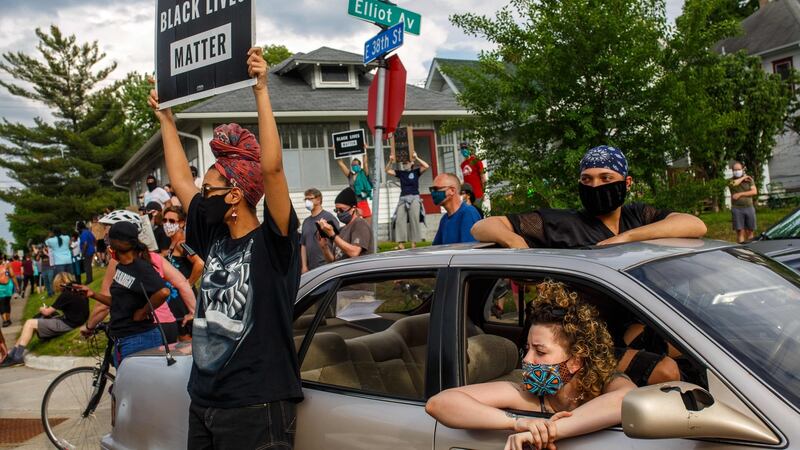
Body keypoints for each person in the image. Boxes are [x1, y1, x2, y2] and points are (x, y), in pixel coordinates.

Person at [150, 47, 302, 448]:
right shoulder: (214, 235)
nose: (202, 195)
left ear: (234, 196)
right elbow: (182, 181)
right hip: (204, 401)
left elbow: (272, 169)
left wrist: (261, 90)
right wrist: (167, 118)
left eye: (211, 190)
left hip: (258, 407)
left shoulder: (275, 242)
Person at [425, 280, 636, 450]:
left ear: (576, 360)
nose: (526, 360)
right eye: (527, 349)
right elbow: (439, 404)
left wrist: (549, 431)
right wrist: (517, 423)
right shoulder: (527, 394)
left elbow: (626, 400)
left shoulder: (609, 381)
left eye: (540, 351)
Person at [472, 145, 708, 249]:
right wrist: (514, 241)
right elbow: (483, 226)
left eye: (606, 178)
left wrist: (627, 238)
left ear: (627, 183)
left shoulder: (638, 216)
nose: (595, 185)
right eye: (587, 179)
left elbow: (695, 225)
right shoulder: (561, 223)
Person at [81, 210, 196, 346]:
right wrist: (193, 312)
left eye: (109, 232)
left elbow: (104, 306)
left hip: (144, 328)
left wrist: (89, 326)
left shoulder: (119, 261)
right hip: (168, 324)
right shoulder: (154, 257)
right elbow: (182, 283)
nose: (106, 237)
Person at [76, 222, 170, 367]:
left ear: (119, 243)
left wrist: (143, 311)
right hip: (123, 338)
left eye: (109, 238)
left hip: (139, 338)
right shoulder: (121, 267)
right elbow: (119, 302)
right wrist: (92, 294)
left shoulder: (140, 267)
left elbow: (163, 292)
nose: (107, 242)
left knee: (135, 388)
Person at [0, 272, 89, 367]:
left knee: (30, 323)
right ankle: (12, 354)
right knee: (31, 324)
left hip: (69, 324)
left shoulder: (66, 294)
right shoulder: (77, 289)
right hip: (77, 321)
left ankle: (17, 356)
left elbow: (47, 312)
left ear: (59, 282)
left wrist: (42, 309)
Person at [162, 205, 204, 339]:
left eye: (172, 221)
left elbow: (199, 263)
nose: (167, 224)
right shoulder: (171, 245)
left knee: (187, 341)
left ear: (181, 223)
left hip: (184, 300)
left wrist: (189, 283)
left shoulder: (182, 244)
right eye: (165, 220)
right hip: (174, 299)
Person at [386, 151, 429, 249]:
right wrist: (390, 161)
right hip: (403, 198)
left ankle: (414, 243)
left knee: (414, 219)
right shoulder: (401, 173)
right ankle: (401, 243)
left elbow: (426, 166)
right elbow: (387, 170)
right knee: (399, 219)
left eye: (407, 163)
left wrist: (416, 157)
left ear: (411, 163)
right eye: (404, 163)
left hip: (414, 197)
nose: (405, 165)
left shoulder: (416, 172)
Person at [318, 187, 374, 262]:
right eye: (336, 210)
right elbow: (333, 261)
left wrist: (333, 235)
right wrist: (324, 247)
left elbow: (354, 252)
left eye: (341, 210)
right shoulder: (341, 230)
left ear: (353, 208)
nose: (338, 213)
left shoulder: (360, 224)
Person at [431, 173, 482, 245]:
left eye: (437, 189)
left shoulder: (468, 213)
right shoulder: (444, 219)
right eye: (432, 189)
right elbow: (436, 248)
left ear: (452, 190)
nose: (433, 193)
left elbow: (469, 251)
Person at [300, 188, 337, 273]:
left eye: (310, 198)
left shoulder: (328, 218)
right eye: (305, 199)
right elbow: (303, 245)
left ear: (318, 199)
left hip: (326, 266)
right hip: (311, 268)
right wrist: (304, 266)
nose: (307, 202)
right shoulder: (306, 222)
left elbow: (337, 240)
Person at [337, 153, 373, 223]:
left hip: (362, 201)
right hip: (353, 202)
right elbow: (341, 164)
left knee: (368, 222)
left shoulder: (364, 173)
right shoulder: (350, 175)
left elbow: (365, 163)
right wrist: (337, 151)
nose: (354, 166)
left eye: (356, 164)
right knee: (354, 222)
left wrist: (364, 151)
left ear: (360, 165)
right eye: (353, 165)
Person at [729, 161, 758, 244]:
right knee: (740, 232)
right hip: (737, 209)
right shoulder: (730, 181)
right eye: (735, 170)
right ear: (732, 171)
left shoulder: (749, 180)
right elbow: (734, 184)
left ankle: (752, 249)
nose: (737, 171)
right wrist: (743, 178)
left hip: (749, 208)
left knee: (750, 231)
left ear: (742, 169)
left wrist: (740, 194)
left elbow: (754, 192)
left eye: (739, 169)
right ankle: (741, 248)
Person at [460, 142, 488, 207]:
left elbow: (483, 178)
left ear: (470, 150)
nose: (464, 150)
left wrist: (483, 193)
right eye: (462, 148)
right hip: (468, 196)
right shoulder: (462, 164)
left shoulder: (476, 161)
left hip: (477, 194)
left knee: (477, 213)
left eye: (465, 148)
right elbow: (466, 180)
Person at [0, 257, 18, 327]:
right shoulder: (7, 265)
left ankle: (5, 321)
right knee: (6, 303)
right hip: (8, 285)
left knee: (1, 303)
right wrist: (17, 286)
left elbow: (13, 275)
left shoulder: (7, 265)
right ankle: (8, 320)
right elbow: (12, 275)